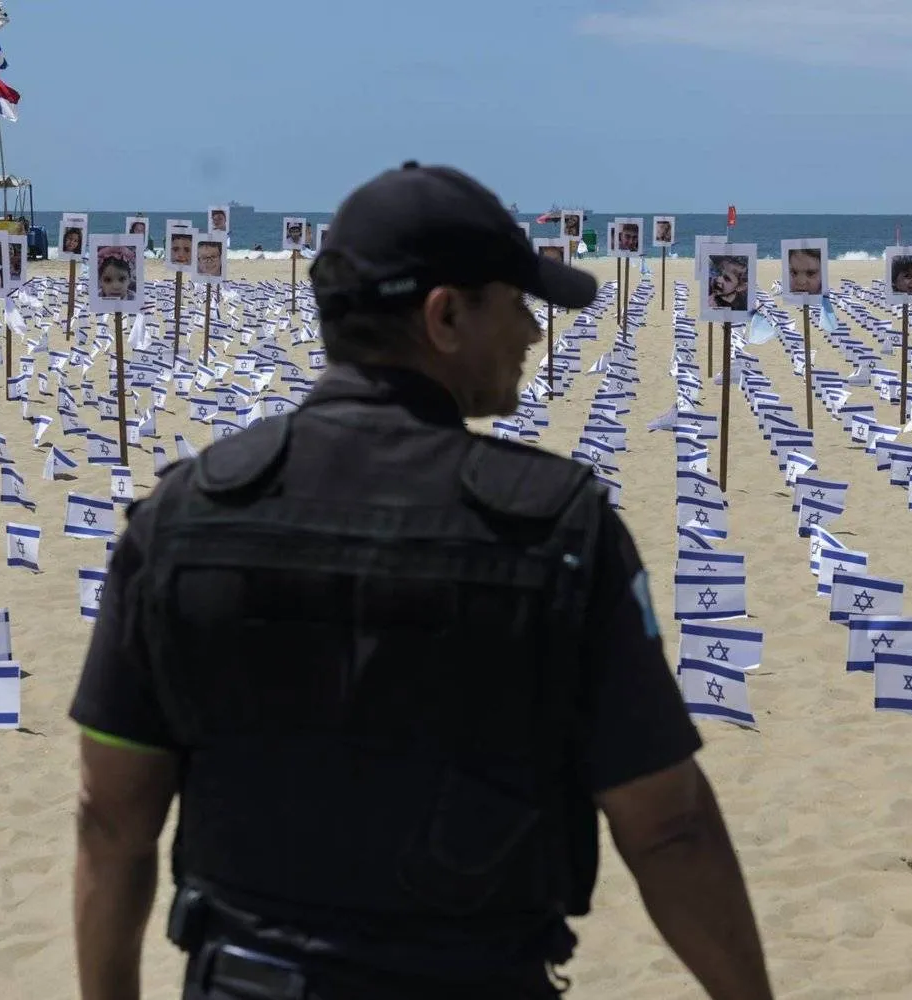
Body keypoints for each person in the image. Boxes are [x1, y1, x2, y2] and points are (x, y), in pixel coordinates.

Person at [69, 160, 774, 1000]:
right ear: (444, 317)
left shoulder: (180, 521)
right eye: (516, 305)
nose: (533, 335)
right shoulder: (557, 533)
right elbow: (668, 827)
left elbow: (113, 818)